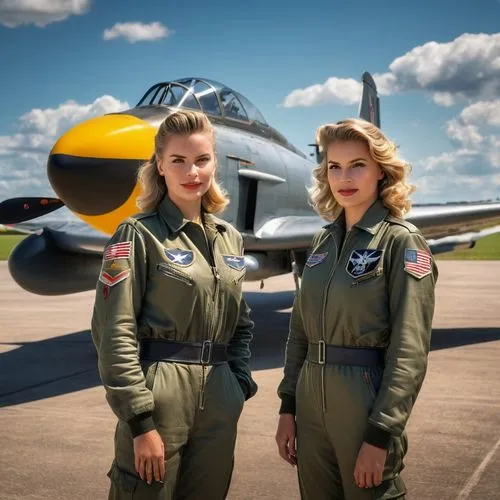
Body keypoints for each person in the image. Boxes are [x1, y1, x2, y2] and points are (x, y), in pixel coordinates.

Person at [91, 109, 258, 499]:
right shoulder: (137, 234)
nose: (192, 172)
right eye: (178, 161)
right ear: (160, 166)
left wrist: (238, 385)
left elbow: (242, 324)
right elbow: (113, 331)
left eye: (202, 160)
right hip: (160, 396)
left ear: (215, 163)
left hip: (220, 395)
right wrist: (139, 420)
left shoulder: (229, 238)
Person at [275, 118, 438, 499]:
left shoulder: (402, 243)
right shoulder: (322, 241)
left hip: (365, 406)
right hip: (310, 406)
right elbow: (300, 331)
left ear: (381, 171)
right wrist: (288, 407)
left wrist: (380, 435)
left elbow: (409, 352)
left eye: (358, 165)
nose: (344, 177)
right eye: (335, 167)